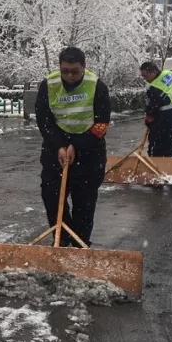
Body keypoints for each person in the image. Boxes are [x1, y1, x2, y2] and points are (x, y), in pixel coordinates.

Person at [35, 47, 111, 247]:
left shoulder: (97, 86)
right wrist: (59, 146)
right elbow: (44, 120)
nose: (69, 76)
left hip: (89, 151)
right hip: (55, 149)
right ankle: (61, 238)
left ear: (83, 67)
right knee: (51, 196)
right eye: (65, 71)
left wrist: (77, 145)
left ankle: (80, 244)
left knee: (84, 202)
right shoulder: (48, 85)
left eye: (74, 71)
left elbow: (102, 124)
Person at [139, 62, 172, 174]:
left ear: (153, 72)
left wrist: (149, 119)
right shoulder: (171, 74)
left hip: (165, 122)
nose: (144, 79)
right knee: (168, 147)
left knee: (156, 148)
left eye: (145, 75)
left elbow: (152, 109)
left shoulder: (154, 88)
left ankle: (158, 175)